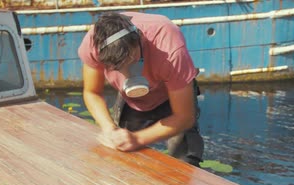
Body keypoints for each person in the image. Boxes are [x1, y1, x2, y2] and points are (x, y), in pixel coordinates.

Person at [78, 12, 204, 167]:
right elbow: (92, 92)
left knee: (186, 163)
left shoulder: (169, 47)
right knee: (120, 154)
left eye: (131, 61)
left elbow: (184, 117)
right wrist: (109, 128)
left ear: (140, 38)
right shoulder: (93, 44)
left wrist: (138, 139)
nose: (127, 73)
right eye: (118, 67)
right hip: (130, 100)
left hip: (172, 95)